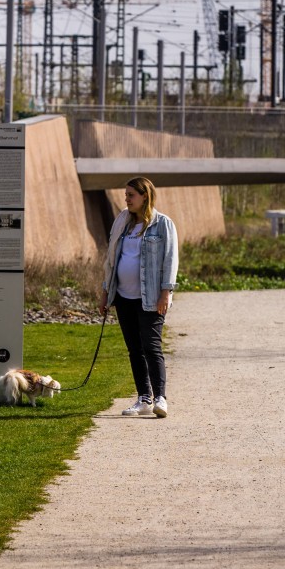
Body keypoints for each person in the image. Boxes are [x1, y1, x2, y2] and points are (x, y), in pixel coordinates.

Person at [99, 177, 179, 418]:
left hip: (151, 297)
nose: (127, 199)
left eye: (131, 195)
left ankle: (160, 398)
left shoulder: (163, 224)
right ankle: (143, 398)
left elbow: (170, 260)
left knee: (152, 347)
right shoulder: (122, 221)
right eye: (126, 195)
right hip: (123, 297)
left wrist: (166, 292)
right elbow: (110, 260)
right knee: (134, 349)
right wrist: (105, 292)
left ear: (145, 196)